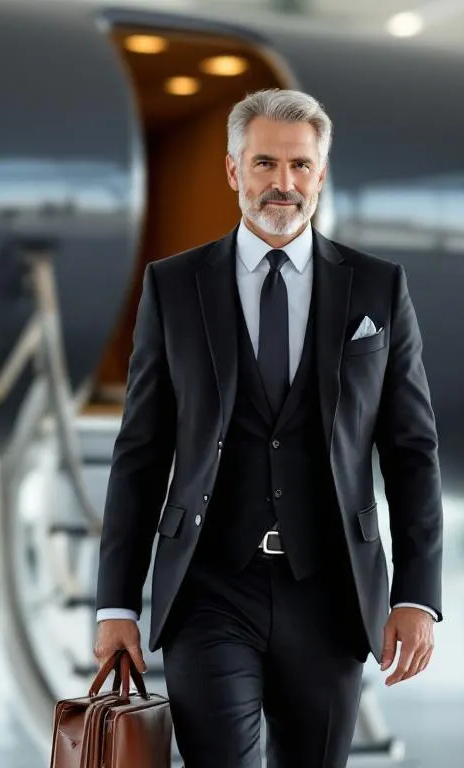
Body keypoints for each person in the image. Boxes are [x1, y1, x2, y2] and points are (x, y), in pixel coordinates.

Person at [93, 88, 443, 768]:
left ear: (320, 173)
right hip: (208, 589)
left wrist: (417, 595)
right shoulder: (174, 287)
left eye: (300, 165)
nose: (283, 183)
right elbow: (141, 452)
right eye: (264, 164)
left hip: (332, 592)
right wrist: (116, 606)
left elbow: (412, 451)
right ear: (234, 171)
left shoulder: (378, 287)